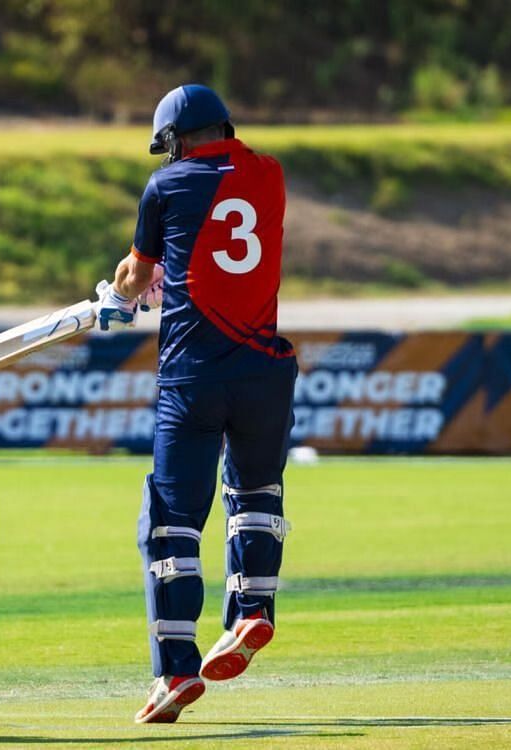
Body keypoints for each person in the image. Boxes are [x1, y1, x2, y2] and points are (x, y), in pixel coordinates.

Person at [93, 85, 297, 723]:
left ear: (176, 140)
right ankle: (253, 614)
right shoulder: (270, 173)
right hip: (265, 368)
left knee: (171, 521)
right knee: (257, 493)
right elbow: (214, 254)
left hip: (193, 374)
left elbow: (135, 271)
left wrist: (118, 297)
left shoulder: (166, 185)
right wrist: (168, 278)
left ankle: (175, 672)